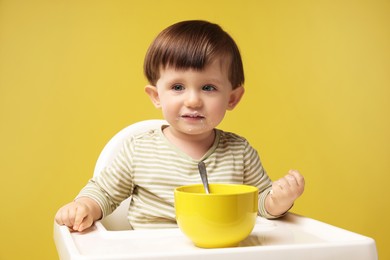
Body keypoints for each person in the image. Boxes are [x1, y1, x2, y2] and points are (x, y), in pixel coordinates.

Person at [55, 20, 305, 232]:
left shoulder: (240, 153)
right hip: (152, 253)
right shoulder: (138, 150)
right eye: (177, 87)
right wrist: (85, 206)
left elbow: (259, 204)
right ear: (156, 96)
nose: (193, 100)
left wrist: (277, 200)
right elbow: (105, 193)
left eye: (208, 87)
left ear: (232, 98)